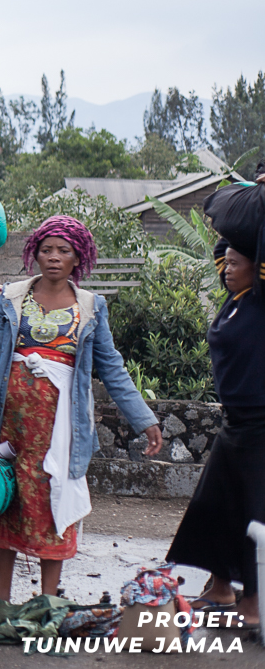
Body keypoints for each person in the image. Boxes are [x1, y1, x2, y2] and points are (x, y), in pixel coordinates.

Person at [0, 215, 161, 600]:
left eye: (63, 250)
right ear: (34, 254)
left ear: (78, 257)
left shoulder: (90, 306)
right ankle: (0, 599)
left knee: (52, 503)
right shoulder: (12, 298)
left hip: (59, 429)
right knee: (6, 500)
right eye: (46, 250)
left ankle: (48, 601)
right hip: (11, 424)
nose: (54, 257)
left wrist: (145, 419)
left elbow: (112, 368)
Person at [169, 235, 265, 627]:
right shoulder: (234, 298)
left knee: (254, 511)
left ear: (258, 267)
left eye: (236, 263)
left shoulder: (260, 299)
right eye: (225, 262)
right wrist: (233, 232)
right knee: (214, 504)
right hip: (234, 422)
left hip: (260, 425)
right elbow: (227, 242)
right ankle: (221, 587)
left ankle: (254, 605)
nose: (226, 268)